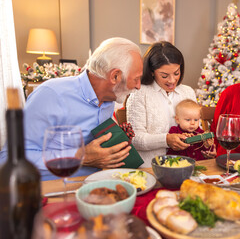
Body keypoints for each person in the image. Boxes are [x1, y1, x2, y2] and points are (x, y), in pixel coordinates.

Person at [0, 37, 143, 180]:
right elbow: (8, 159)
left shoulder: (109, 99)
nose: (138, 86)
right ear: (115, 76)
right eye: (136, 79)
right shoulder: (51, 95)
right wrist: (81, 157)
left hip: (96, 186)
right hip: (53, 191)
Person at [127, 41, 198, 167]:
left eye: (176, 73)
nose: (172, 80)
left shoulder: (188, 92)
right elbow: (135, 139)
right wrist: (166, 140)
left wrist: (205, 146)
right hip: (150, 168)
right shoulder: (139, 93)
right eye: (164, 76)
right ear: (152, 71)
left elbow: (195, 129)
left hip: (185, 165)